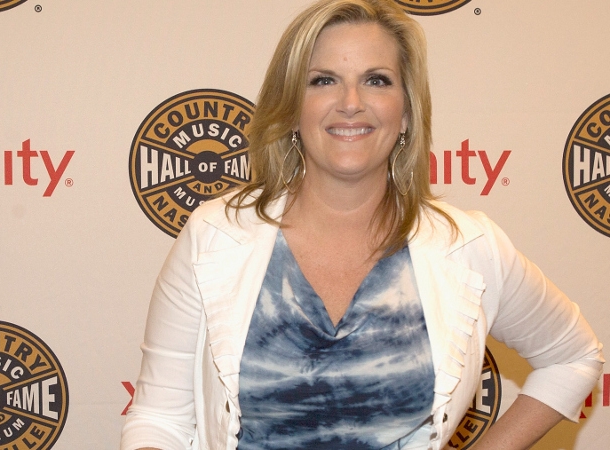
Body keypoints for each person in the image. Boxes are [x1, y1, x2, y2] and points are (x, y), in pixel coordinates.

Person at [120, 0, 604, 448]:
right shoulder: (215, 235)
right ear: (290, 108)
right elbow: (160, 418)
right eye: (322, 80)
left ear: (408, 110)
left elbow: (574, 356)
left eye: (376, 80)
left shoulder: (468, 245)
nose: (350, 102)